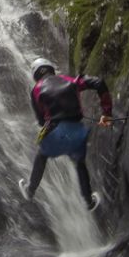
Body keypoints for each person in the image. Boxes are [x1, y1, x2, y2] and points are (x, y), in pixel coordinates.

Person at [19, 58, 113, 211]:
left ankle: (30, 190)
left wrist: (45, 135)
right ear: (51, 69)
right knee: (79, 163)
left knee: (41, 155)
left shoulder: (36, 90)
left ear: (36, 75)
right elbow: (98, 82)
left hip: (53, 129)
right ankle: (88, 200)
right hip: (77, 131)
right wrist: (107, 113)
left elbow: (41, 120)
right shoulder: (70, 80)